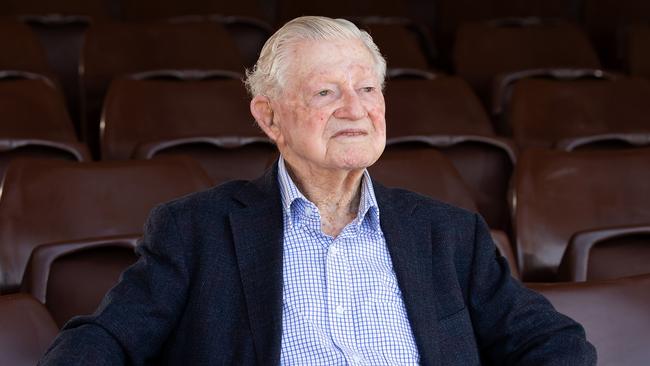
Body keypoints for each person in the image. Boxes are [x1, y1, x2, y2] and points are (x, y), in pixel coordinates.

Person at [40, 16, 596, 365]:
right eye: (327, 91)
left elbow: (554, 344)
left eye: (367, 88)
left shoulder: (448, 232)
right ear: (270, 116)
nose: (354, 109)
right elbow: (103, 342)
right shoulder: (195, 229)